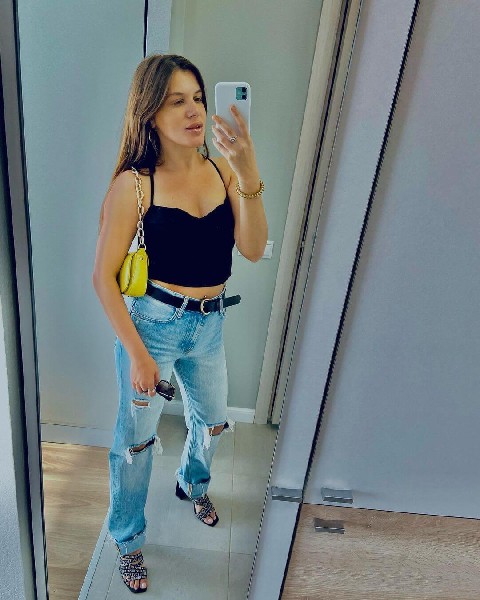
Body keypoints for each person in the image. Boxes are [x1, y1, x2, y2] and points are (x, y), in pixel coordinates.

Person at [92, 54, 267, 593]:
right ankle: (128, 541)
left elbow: (253, 248)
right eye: (176, 102)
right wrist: (138, 355)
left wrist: (248, 170)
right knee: (136, 443)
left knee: (212, 421)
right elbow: (103, 279)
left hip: (209, 326)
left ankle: (192, 483)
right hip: (153, 326)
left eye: (198, 99)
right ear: (150, 113)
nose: (194, 112)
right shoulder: (134, 186)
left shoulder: (223, 171)